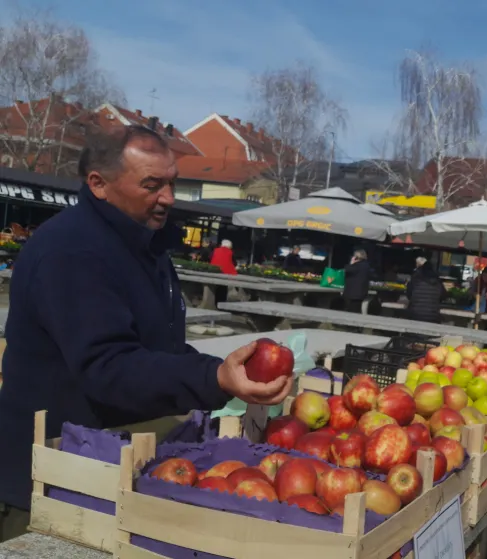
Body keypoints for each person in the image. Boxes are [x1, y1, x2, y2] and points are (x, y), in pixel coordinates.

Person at [0, 126, 292, 541]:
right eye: (152, 185)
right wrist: (213, 378)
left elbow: (159, 348)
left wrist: (222, 372)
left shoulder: (140, 243)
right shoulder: (72, 252)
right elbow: (110, 367)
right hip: (49, 484)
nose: (169, 198)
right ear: (99, 184)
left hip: (104, 469)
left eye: (172, 182)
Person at [406, 258, 444, 323]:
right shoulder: (438, 283)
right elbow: (443, 296)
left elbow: (409, 295)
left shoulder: (415, 281)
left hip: (415, 314)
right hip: (433, 316)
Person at [343, 249, 371, 313]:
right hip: (361, 292)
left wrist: (351, 263)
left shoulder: (356, 265)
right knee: (357, 309)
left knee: (351, 310)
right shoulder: (366, 265)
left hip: (353, 293)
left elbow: (347, 270)